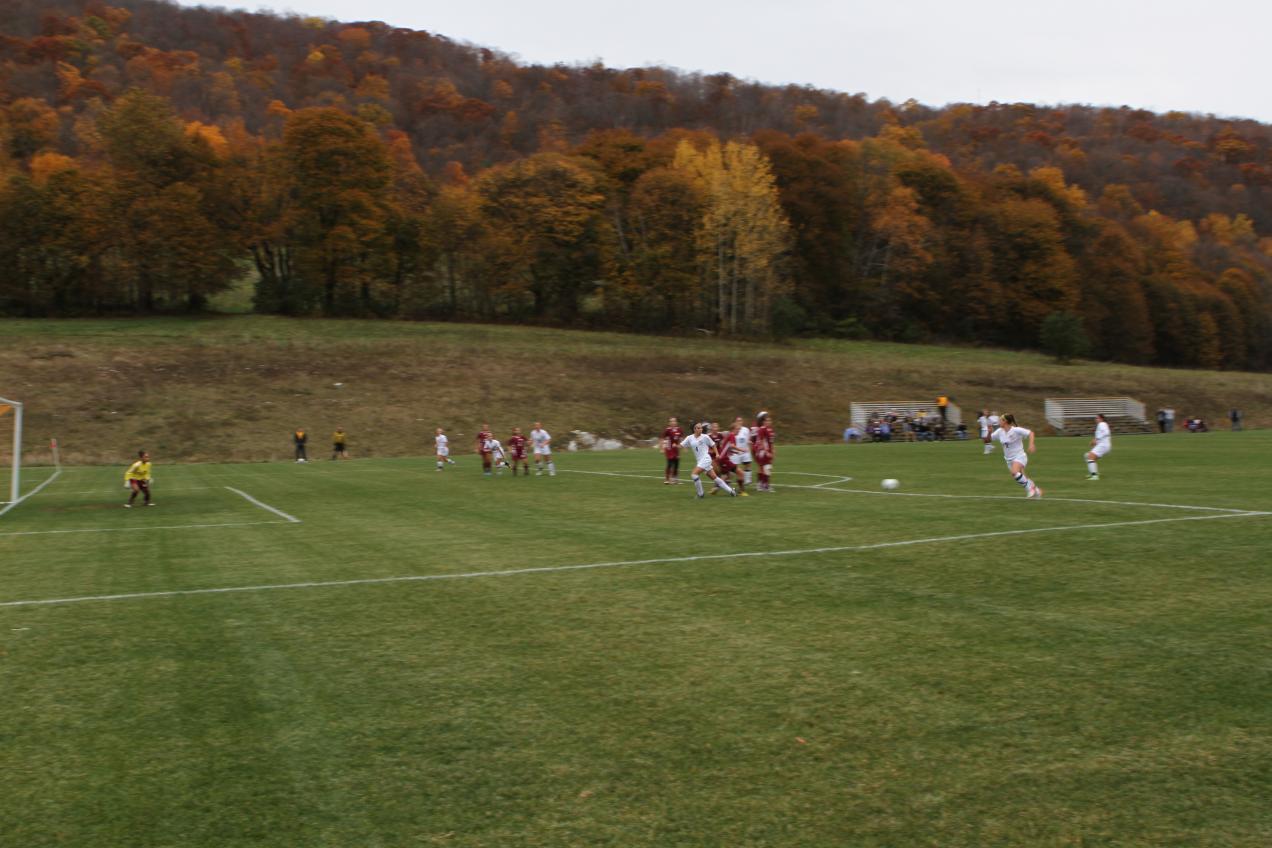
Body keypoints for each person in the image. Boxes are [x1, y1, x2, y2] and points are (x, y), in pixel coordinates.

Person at [991, 413, 1042, 498]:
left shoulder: (1016, 430)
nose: (999, 421)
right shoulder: (999, 431)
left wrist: (1031, 444)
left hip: (1019, 456)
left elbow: (1031, 433)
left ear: (1005, 421)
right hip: (1008, 459)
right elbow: (990, 438)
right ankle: (1036, 490)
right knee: (1021, 476)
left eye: (1000, 420)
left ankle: (1030, 489)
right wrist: (989, 432)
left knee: (1014, 472)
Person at [680, 421, 736, 499]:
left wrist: (717, 454)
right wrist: (676, 447)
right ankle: (731, 491)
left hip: (706, 459)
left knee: (694, 474)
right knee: (715, 478)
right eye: (699, 428)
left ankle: (700, 494)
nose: (701, 429)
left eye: (701, 428)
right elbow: (681, 445)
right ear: (694, 429)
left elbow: (713, 445)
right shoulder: (689, 438)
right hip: (700, 461)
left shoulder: (705, 437)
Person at [1084, 413, 1112, 481]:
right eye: (1095, 418)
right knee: (1087, 456)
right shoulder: (1102, 424)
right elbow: (1102, 434)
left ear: (1101, 419)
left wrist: (1096, 439)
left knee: (1090, 457)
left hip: (1103, 445)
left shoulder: (1102, 424)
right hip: (1103, 445)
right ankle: (1093, 473)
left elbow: (1106, 433)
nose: (1095, 419)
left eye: (1097, 418)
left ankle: (1094, 476)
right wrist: (1095, 441)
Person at [754, 411, 776, 492]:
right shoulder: (762, 429)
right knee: (766, 467)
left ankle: (761, 485)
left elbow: (771, 442)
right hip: (761, 451)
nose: (768, 422)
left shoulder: (770, 430)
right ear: (763, 422)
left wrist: (773, 450)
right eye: (766, 421)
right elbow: (762, 441)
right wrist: (767, 452)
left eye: (769, 421)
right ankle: (765, 486)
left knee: (766, 468)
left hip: (767, 451)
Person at [731, 415, 754, 489]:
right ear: (735, 422)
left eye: (740, 421)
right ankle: (736, 483)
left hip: (745, 451)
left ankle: (747, 480)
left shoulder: (746, 430)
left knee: (748, 464)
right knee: (736, 469)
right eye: (738, 421)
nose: (739, 422)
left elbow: (748, 439)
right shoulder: (734, 430)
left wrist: (750, 443)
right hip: (736, 452)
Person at [661, 417, 684, 484]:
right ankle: (667, 479)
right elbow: (662, 438)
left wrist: (683, 446)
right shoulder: (667, 430)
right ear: (669, 423)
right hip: (669, 449)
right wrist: (662, 448)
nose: (673, 422)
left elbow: (681, 439)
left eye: (674, 421)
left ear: (676, 422)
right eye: (671, 421)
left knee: (676, 463)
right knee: (670, 463)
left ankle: (675, 479)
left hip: (676, 449)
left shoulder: (679, 430)